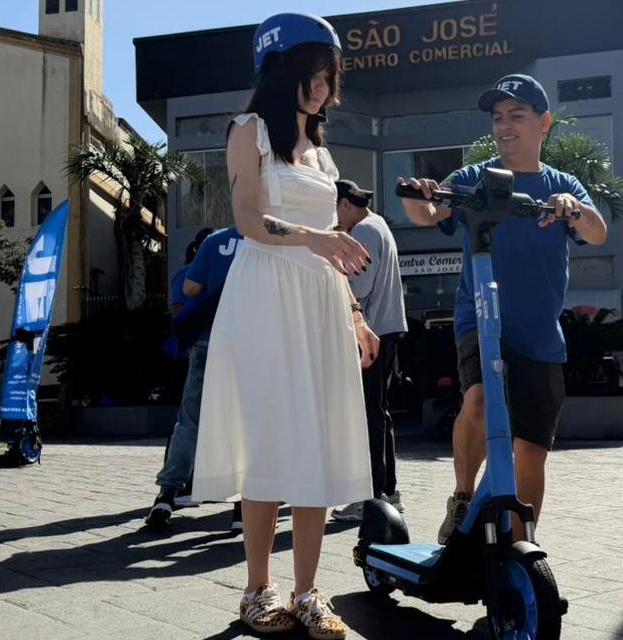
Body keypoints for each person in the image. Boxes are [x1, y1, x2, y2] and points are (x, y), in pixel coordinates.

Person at [192, 14, 375, 639]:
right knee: (269, 440)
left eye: (329, 74)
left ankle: (307, 592)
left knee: (317, 444)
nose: (321, 86)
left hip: (319, 302)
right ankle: (257, 589)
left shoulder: (321, 152)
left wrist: (354, 313)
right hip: (265, 294)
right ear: (279, 69)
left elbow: (329, 251)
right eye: (310, 72)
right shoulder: (248, 133)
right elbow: (247, 219)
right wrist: (316, 239)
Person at [399, 73, 609, 545]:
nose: (504, 126)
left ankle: (520, 545)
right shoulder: (475, 178)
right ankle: (461, 497)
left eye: (517, 115)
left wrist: (572, 207)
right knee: (477, 399)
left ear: (543, 124)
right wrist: (420, 199)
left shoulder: (563, 185)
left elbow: (597, 232)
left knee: (530, 451)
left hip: (539, 334)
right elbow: (429, 213)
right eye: (498, 117)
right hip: (481, 319)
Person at [145, 225, 243, 531]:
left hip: (206, 340)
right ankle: (244, 507)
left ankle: (167, 494)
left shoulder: (215, 241)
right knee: (245, 425)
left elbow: (189, 288)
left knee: (190, 421)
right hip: (248, 342)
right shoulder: (267, 237)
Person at [330, 180, 407, 524]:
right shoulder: (380, 226)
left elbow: (357, 286)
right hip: (387, 328)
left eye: (335, 210)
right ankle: (386, 491)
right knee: (378, 412)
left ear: (345, 204)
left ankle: (370, 497)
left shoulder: (363, 232)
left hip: (372, 332)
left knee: (368, 415)